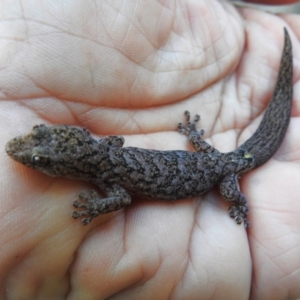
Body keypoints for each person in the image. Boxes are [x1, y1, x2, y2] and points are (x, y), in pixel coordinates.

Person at [1, 1, 299, 299]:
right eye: (38, 155)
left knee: (231, 194)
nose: (24, 153)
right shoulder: (107, 150)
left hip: (223, 169)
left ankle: (240, 200)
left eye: (39, 160)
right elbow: (115, 144)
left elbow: (122, 198)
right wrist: (194, 137)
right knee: (222, 160)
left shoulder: (108, 179)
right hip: (210, 159)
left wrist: (96, 207)